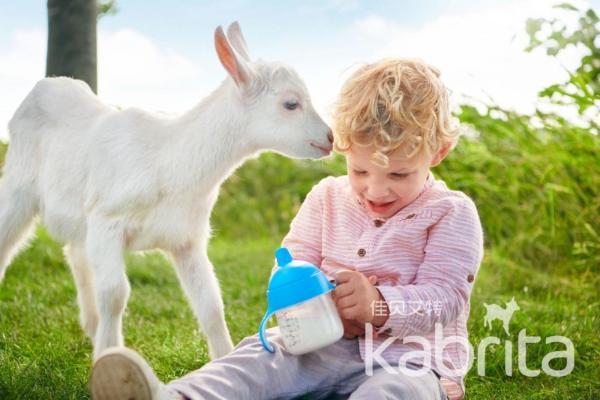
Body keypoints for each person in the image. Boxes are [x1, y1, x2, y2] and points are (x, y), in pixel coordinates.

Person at [90, 58, 483, 400]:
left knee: (397, 392)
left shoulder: (450, 213)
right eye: (360, 170)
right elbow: (291, 259)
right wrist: (304, 299)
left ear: (438, 152)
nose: (376, 189)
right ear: (344, 147)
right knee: (258, 358)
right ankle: (177, 396)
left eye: (399, 173)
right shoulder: (327, 198)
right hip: (318, 345)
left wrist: (378, 305)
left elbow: (445, 299)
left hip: (407, 360)